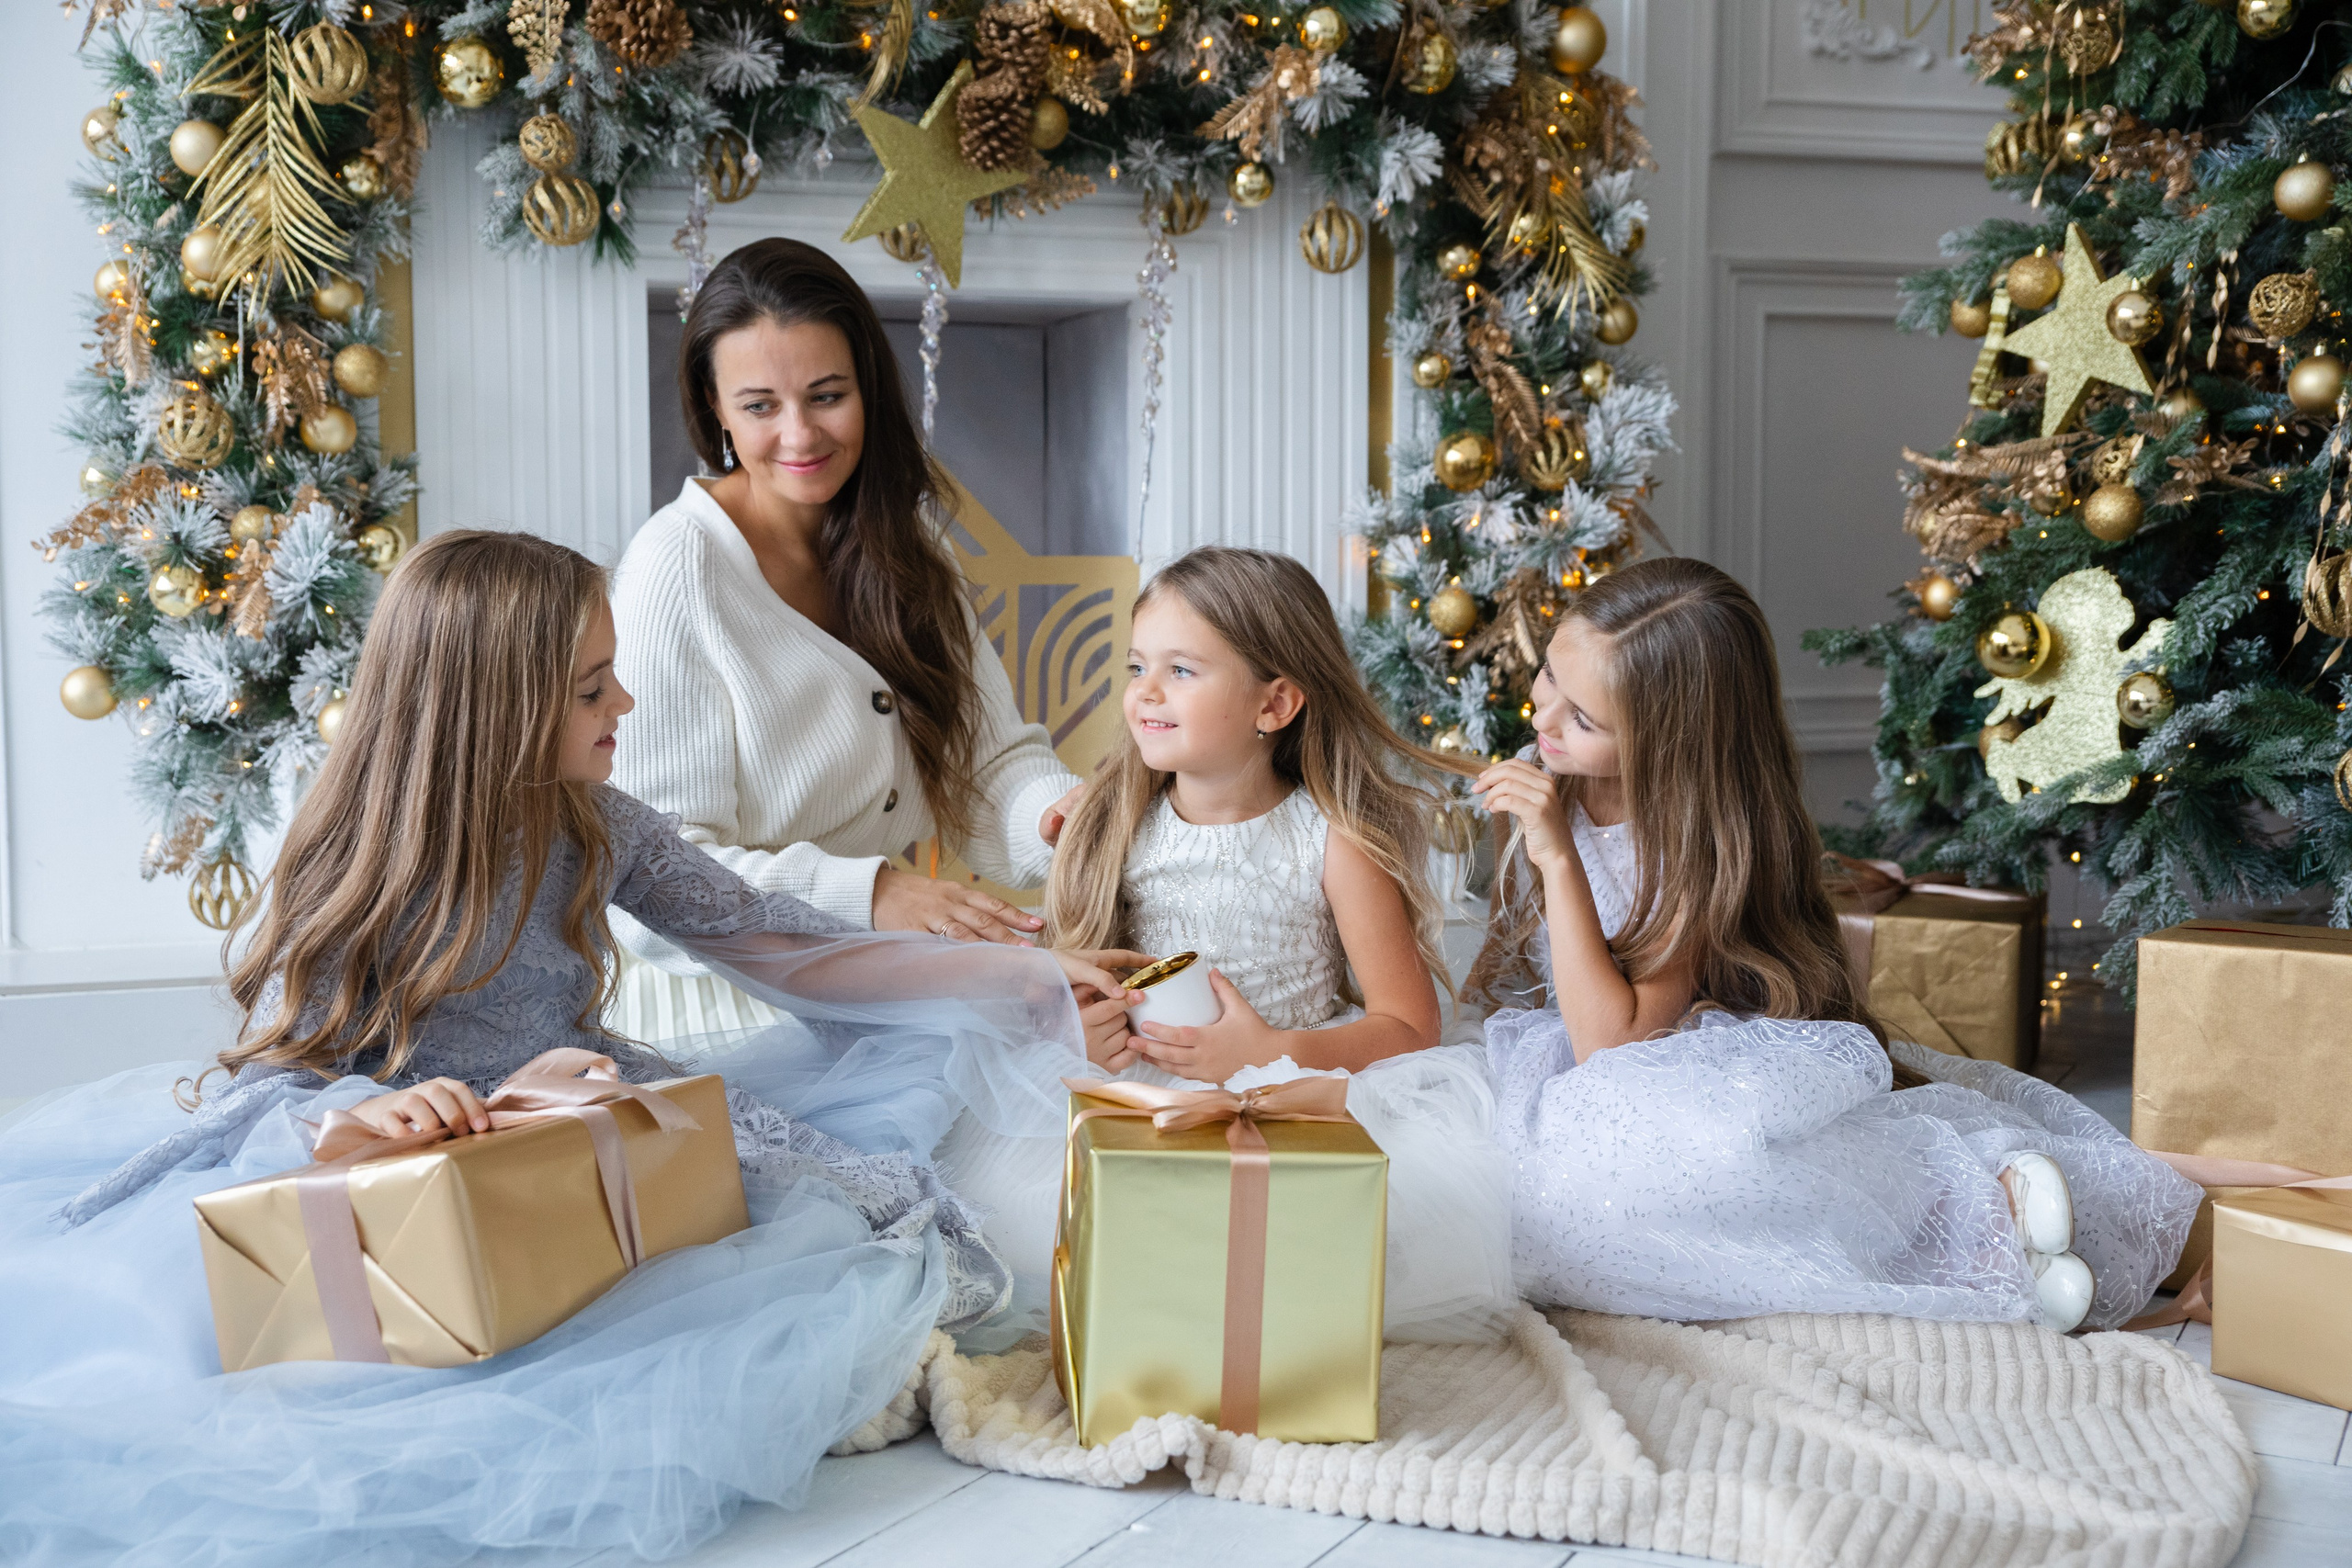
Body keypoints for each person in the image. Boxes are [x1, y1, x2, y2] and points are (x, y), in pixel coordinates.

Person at [0, 531, 1137, 1565]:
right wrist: (357, 1118)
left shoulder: (593, 815)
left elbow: (780, 944)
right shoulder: (359, 838)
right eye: (594, 686)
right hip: (394, 1120)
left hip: (572, 1100)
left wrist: (1024, 978)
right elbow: (289, 1056)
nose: (626, 701)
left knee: (824, 1215)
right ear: (497, 705)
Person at [1470, 557, 2200, 1332]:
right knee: (1537, 1204)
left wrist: (1557, 857)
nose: (1542, 718)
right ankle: (1991, 1247)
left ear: (1670, 741)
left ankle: (1982, 1216)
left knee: (1708, 1176)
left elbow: (1612, 1043)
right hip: (1580, 1076)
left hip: (1681, 1071)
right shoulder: (1550, 780)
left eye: (1583, 720)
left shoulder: (1683, 843)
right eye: (1550, 675)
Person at [938, 547, 1519, 1345]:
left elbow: (1410, 1025)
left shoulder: (1331, 842)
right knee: (1046, 1221)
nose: (1144, 691)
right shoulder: (1115, 825)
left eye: (1181, 670)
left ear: (1273, 703)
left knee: (1279, 1251)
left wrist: (1271, 1050)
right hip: (1147, 1094)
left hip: (1290, 1088)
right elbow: (1081, 976)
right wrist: (1086, 1025)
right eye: (1139, 664)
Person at [609, 237, 1085, 1043]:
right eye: (760, 405)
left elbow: (989, 766)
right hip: (719, 1019)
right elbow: (655, 873)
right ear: (714, 407)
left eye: (827, 395)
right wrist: (872, 895)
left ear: (868, 387)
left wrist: (1061, 816)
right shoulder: (674, 569)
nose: (800, 436)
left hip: (877, 986)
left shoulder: (909, 548)